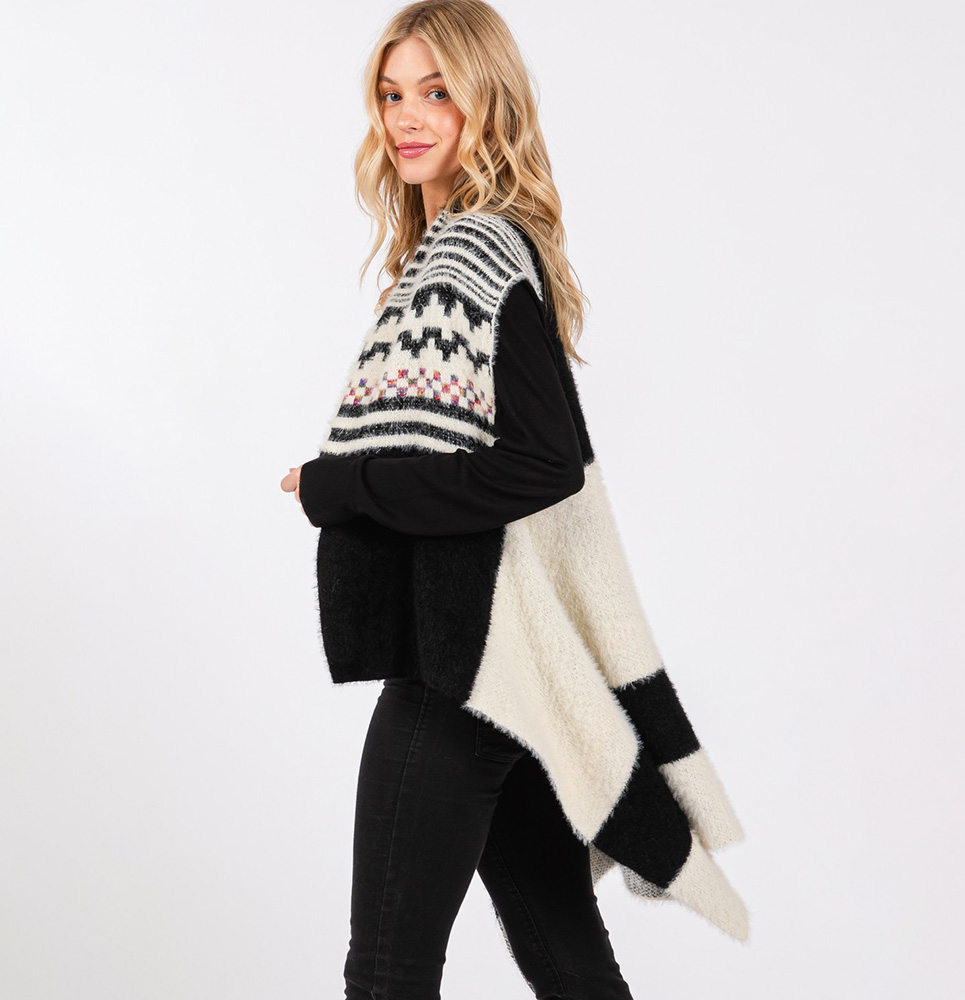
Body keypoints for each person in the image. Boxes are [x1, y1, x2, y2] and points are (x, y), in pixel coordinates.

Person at [280, 3, 748, 998]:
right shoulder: (476, 248)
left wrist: (340, 483)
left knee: (387, 971)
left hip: (460, 672)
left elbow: (543, 465)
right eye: (391, 94)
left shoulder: (475, 253)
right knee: (570, 964)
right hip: (517, 666)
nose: (408, 118)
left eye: (437, 92)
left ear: (486, 103)